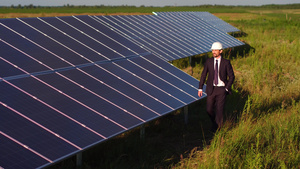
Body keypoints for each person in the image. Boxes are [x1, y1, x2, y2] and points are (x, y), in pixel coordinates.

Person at [198, 42, 235, 132]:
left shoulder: (226, 62)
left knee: (219, 110)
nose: (213, 52)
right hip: (211, 88)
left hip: (222, 89)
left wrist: (226, 88)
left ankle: (218, 129)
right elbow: (203, 75)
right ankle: (214, 123)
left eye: (215, 50)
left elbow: (232, 76)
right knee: (209, 109)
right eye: (212, 50)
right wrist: (200, 88)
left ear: (221, 51)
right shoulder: (209, 61)